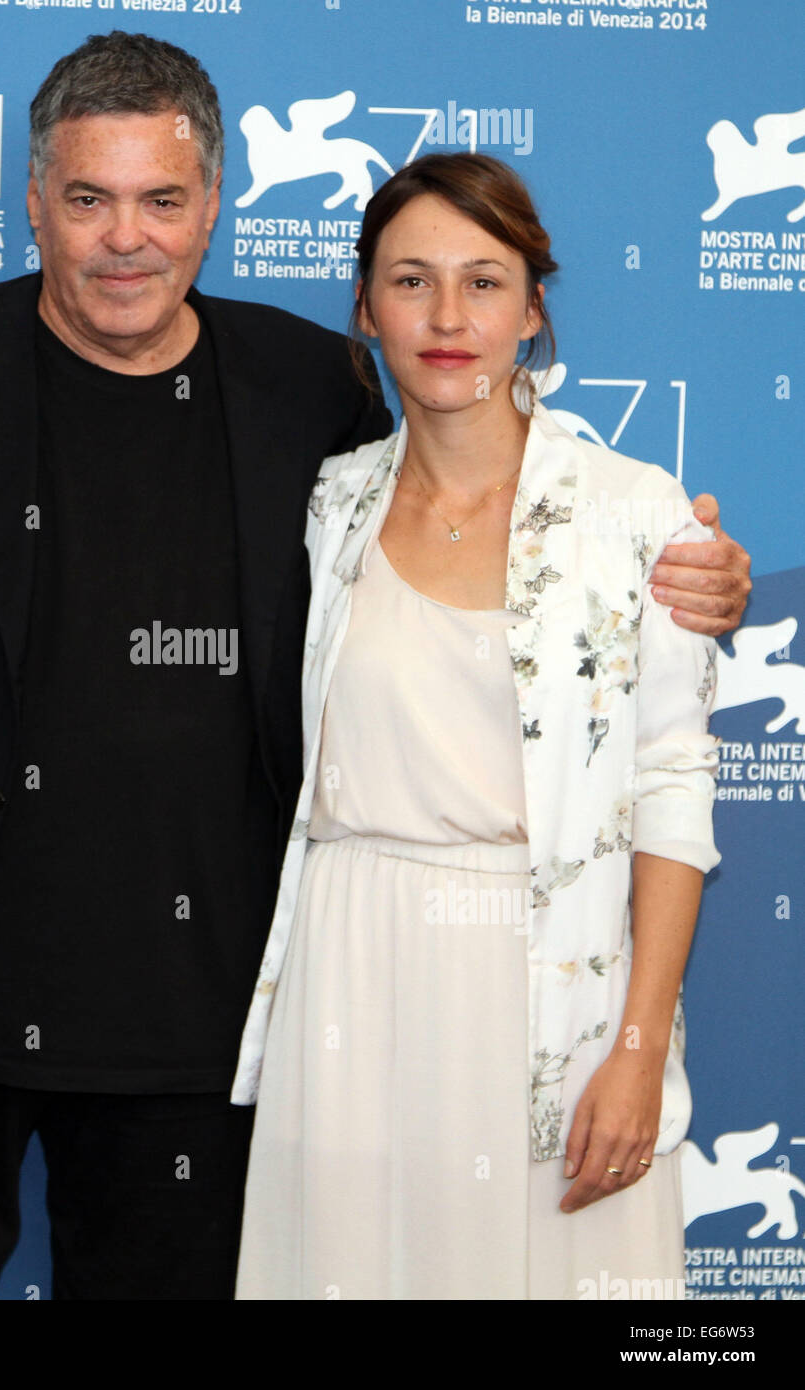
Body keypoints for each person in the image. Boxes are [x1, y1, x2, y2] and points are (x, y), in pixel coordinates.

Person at [0, 36, 750, 1300]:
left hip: (207, 1028)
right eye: (87, 199)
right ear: (34, 202)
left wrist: (683, 578)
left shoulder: (309, 385)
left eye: (163, 199)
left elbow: (476, 516)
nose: (123, 238)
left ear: (217, 206)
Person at [231, 153, 722, 1300]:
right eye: (410, 280)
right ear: (363, 306)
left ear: (534, 309)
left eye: (484, 282)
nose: (448, 317)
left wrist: (639, 1052)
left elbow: (673, 785)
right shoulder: (331, 502)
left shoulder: (632, 511)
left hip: (549, 985)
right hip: (349, 981)